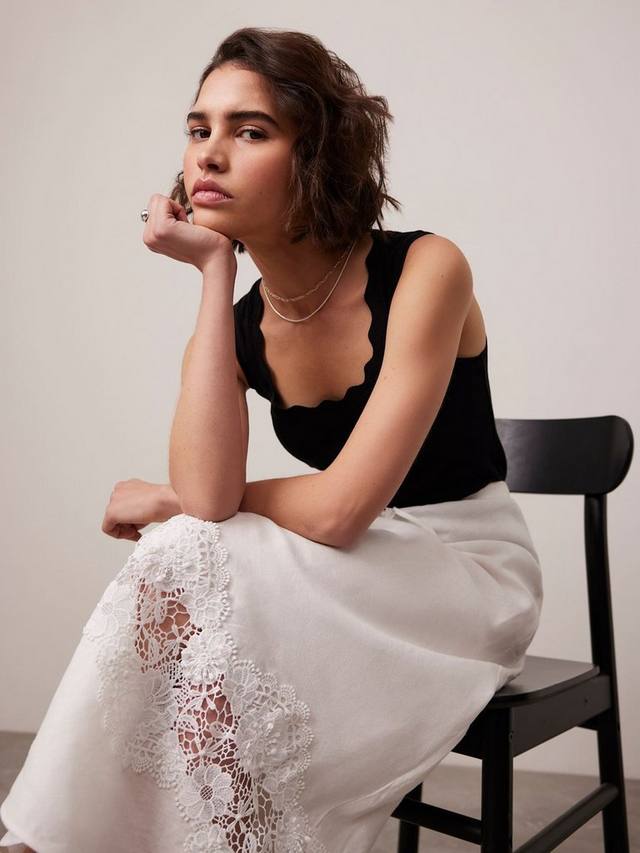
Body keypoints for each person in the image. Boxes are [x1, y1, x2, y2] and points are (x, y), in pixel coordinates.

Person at [0, 26, 543, 853]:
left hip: (464, 572)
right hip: (354, 567)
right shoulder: (240, 323)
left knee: (186, 544)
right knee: (189, 555)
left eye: (249, 131)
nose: (209, 155)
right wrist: (214, 272)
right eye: (198, 129)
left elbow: (338, 512)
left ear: (315, 153)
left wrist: (171, 500)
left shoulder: (428, 268)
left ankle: (50, 838)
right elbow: (214, 499)